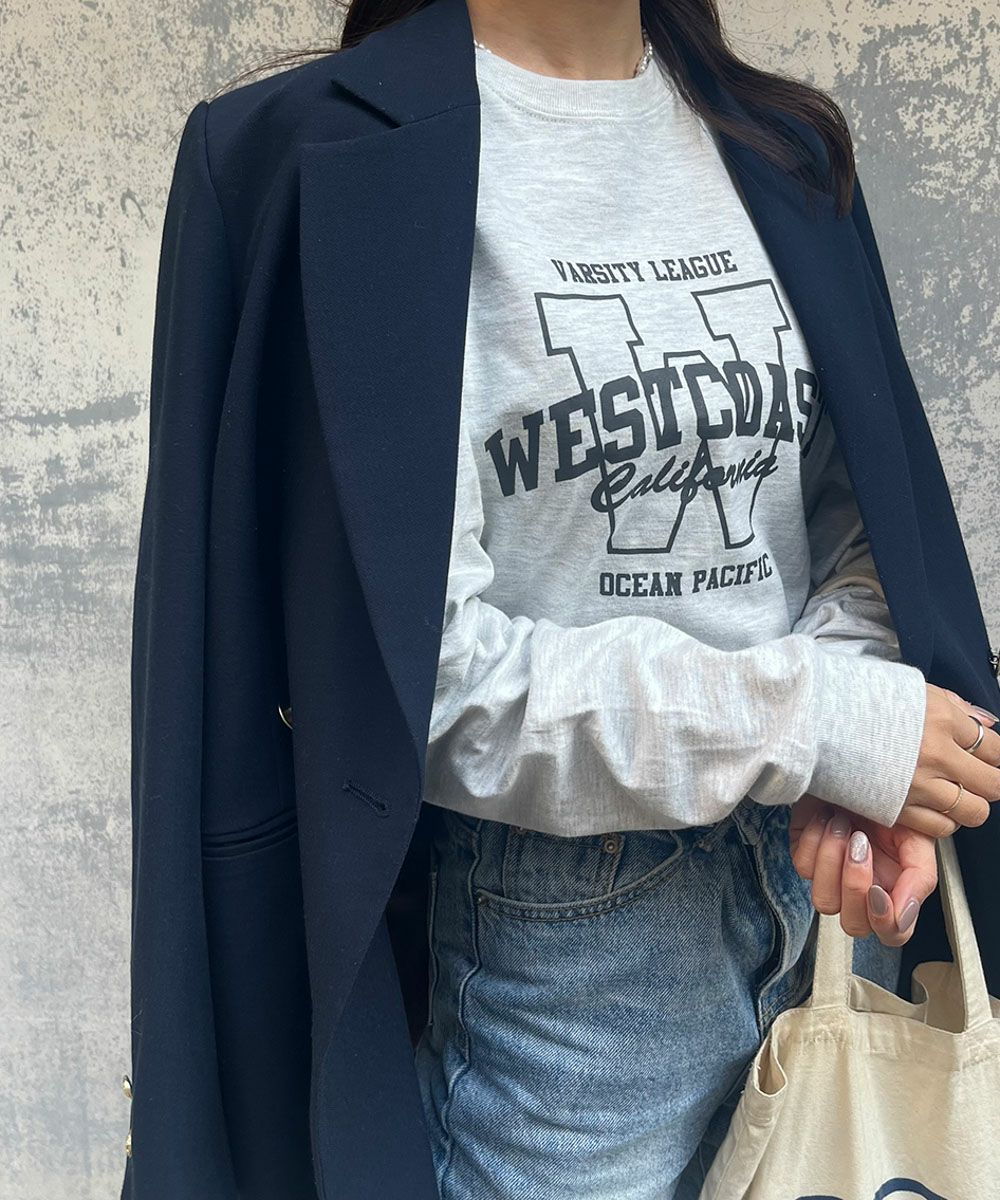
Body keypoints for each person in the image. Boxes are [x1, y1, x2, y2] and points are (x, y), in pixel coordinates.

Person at [121, 1, 1000, 1197]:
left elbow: (859, 533)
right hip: (563, 994)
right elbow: (418, 683)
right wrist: (816, 723)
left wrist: (849, 776)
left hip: (826, 928)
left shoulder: (780, 145)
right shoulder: (307, 159)